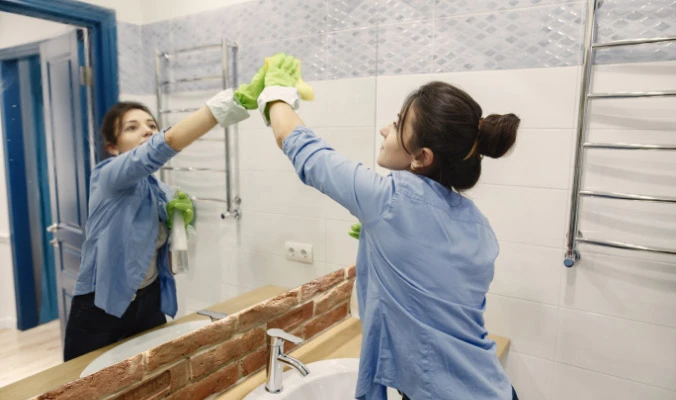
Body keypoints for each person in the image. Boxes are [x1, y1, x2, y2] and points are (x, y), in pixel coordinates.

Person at [256, 54, 520, 399]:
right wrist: (385, 244)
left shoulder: (390, 200)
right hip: (492, 387)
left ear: (421, 157)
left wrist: (275, 92)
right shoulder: (478, 224)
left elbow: (302, 148)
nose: (385, 129)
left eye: (397, 124)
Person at [62, 62, 274, 361]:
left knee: (153, 373)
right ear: (112, 147)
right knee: (85, 385)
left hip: (148, 298)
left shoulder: (160, 190)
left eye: (151, 124)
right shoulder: (108, 176)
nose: (147, 130)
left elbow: (165, 252)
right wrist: (226, 105)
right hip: (101, 303)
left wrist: (181, 223)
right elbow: (165, 144)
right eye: (132, 127)